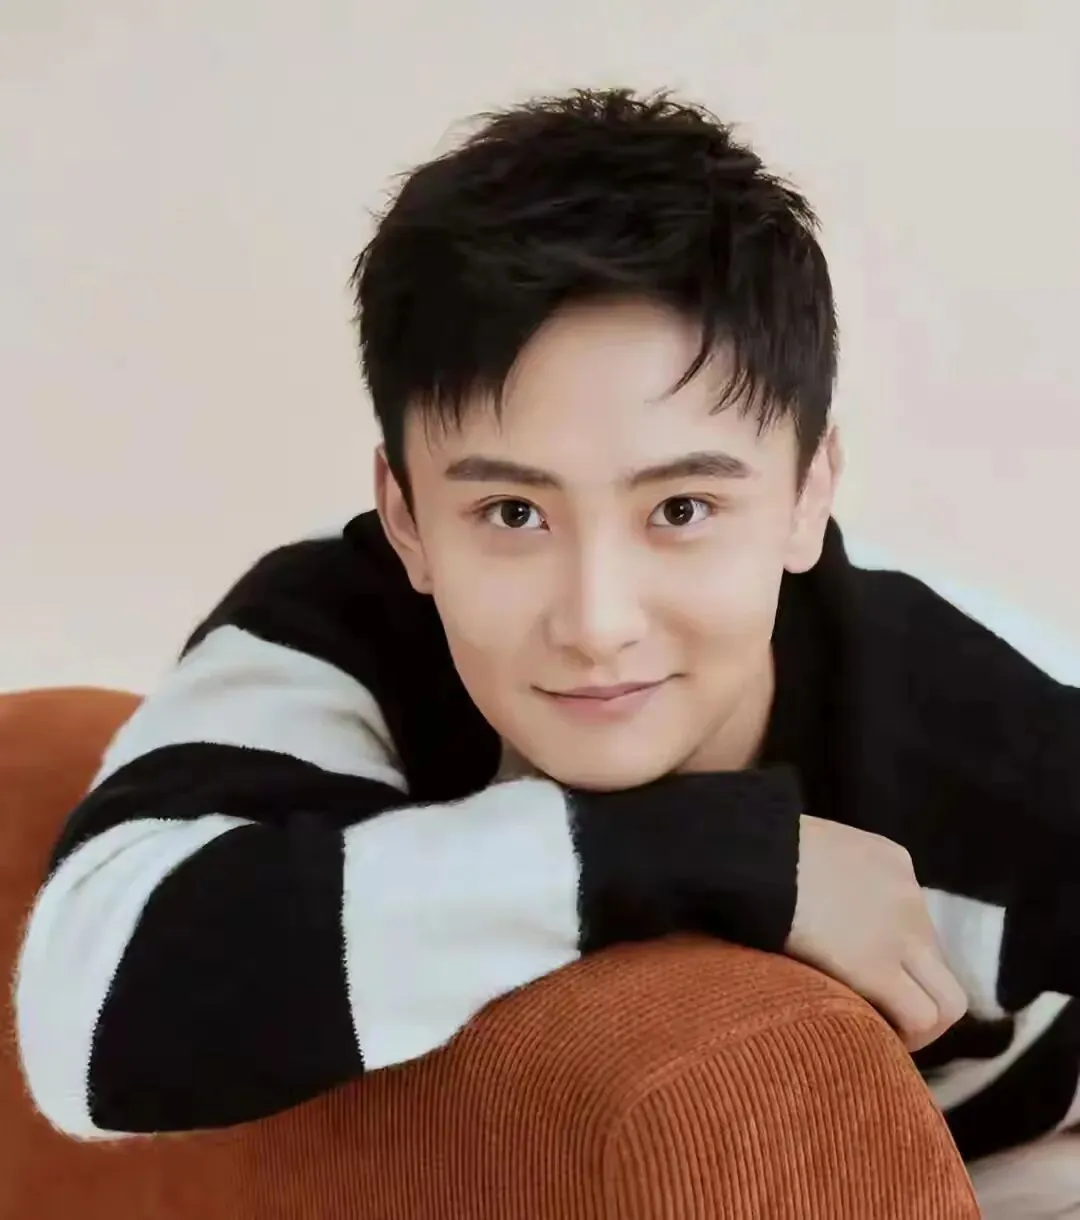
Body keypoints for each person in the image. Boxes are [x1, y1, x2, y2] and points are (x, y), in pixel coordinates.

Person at [14, 88, 1080, 1216]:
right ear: (405, 514)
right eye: (513, 513)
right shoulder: (336, 630)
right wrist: (713, 852)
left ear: (809, 493)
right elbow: (94, 1012)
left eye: (681, 509)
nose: (596, 620)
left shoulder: (998, 734)